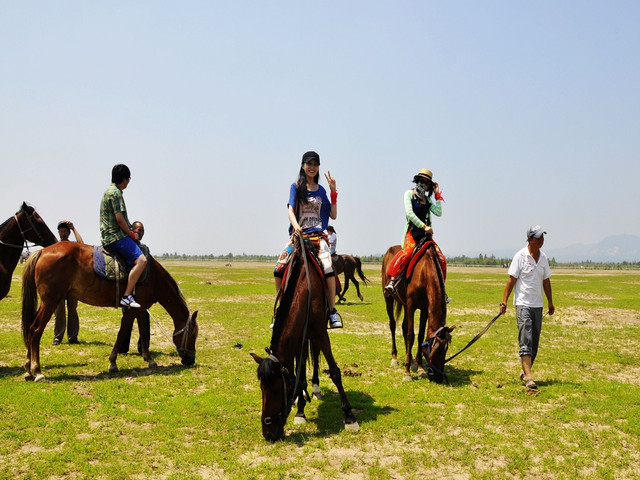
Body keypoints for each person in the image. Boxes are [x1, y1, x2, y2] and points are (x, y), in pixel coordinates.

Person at [274, 151, 342, 328]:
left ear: (318, 167)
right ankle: (280, 311)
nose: (312, 167)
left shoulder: (321, 190)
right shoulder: (295, 187)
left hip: (318, 238)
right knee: (278, 268)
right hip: (298, 236)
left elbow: (333, 215)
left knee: (328, 268)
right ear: (303, 166)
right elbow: (290, 210)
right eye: (309, 164)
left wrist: (334, 193)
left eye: (315, 164)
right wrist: (296, 226)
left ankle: (332, 312)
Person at [500, 225, 555, 390]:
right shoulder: (520, 256)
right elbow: (511, 280)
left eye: (542, 237)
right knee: (525, 340)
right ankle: (529, 377)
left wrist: (550, 302)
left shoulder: (543, 257)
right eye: (538, 237)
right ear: (530, 239)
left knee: (534, 342)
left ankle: (525, 371)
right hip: (523, 304)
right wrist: (505, 301)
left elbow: (546, 281)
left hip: (538, 306)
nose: (541, 240)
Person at [384, 168, 447, 296]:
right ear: (417, 180)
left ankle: (441, 290)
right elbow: (410, 214)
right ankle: (392, 281)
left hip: (426, 237)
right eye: (422, 180)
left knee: (441, 259)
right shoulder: (408, 194)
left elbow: (439, 212)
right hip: (412, 234)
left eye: (427, 182)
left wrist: (437, 195)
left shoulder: (428, 200)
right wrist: (424, 226)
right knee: (406, 254)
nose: (423, 184)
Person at [100, 164, 147, 308]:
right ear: (124, 179)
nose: (129, 182)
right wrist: (132, 234)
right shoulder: (116, 193)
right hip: (115, 237)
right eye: (128, 179)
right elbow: (120, 220)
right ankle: (127, 296)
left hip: (108, 235)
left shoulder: (108, 191)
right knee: (142, 260)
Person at [118, 221, 151, 354]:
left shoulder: (145, 249)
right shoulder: (127, 246)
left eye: (142, 230)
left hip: (142, 291)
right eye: (137, 230)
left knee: (144, 320)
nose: (139, 232)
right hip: (130, 289)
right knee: (127, 317)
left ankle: (143, 348)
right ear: (131, 230)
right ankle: (122, 348)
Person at [53, 221, 84, 345]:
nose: (63, 233)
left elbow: (82, 244)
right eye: (61, 231)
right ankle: (57, 337)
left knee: (72, 310)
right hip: (58, 284)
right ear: (58, 232)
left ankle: (73, 336)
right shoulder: (54, 245)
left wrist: (74, 227)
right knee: (58, 311)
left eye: (66, 231)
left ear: (69, 233)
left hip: (72, 284)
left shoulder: (73, 245)